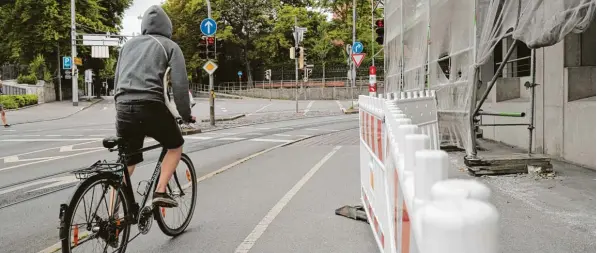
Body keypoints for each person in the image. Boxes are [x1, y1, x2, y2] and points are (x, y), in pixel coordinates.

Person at [113, 5, 194, 208]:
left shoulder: (128, 46)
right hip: (150, 106)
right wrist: (185, 115)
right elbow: (180, 86)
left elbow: (116, 81)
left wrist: (121, 108)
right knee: (175, 145)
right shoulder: (170, 46)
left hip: (123, 107)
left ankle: (111, 217)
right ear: (168, 26)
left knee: (127, 163)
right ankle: (160, 192)